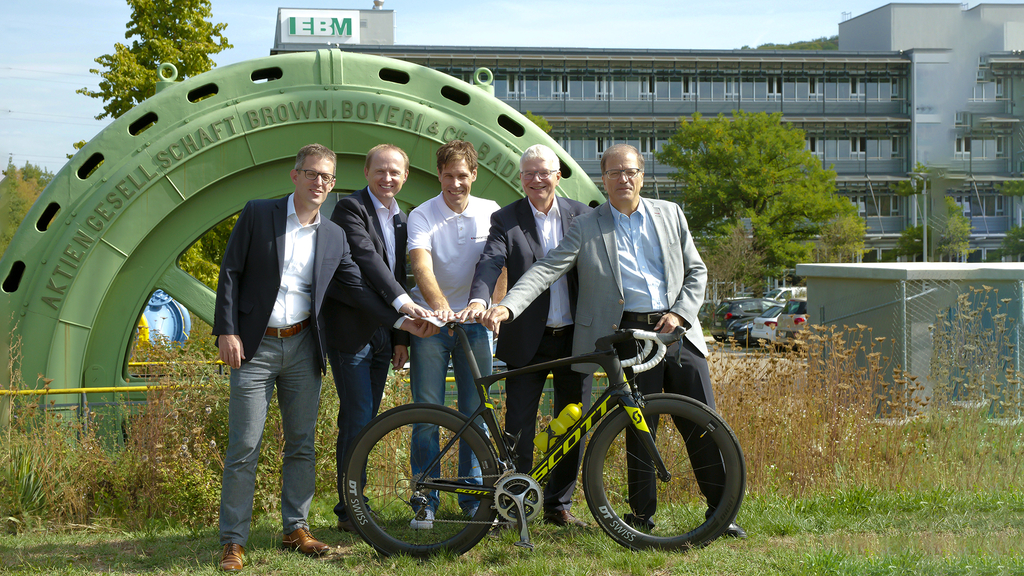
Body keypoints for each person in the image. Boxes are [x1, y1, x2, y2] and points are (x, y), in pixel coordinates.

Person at [479, 143, 746, 539]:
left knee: (702, 423)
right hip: (630, 337)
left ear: (642, 175)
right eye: (615, 173)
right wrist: (507, 307)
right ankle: (641, 517)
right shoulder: (587, 225)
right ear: (603, 180)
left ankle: (720, 513)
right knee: (641, 428)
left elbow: (697, 271)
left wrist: (680, 314)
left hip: (677, 331)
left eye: (631, 171)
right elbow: (546, 269)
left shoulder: (670, 214)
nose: (624, 178)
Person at [212, 144, 435, 571]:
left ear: (333, 184)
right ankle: (233, 541)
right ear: (295, 176)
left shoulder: (332, 234)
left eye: (326, 178)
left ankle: (295, 528)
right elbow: (230, 272)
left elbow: (353, 285)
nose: (319, 183)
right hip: (254, 346)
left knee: (301, 445)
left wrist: (403, 321)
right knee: (244, 445)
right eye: (311, 174)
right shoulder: (259, 213)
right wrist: (227, 330)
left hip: (302, 345)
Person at [460, 144, 593, 527]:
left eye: (543, 172)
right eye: (528, 174)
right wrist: (479, 299)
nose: (536, 180)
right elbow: (490, 262)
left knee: (574, 423)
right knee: (518, 425)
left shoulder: (583, 216)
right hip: (525, 340)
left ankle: (558, 504)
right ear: (521, 178)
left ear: (558, 175)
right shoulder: (506, 219)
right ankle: (517, 502)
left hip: (574, 338)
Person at [324, 144, 435, 533]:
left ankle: (355, 503)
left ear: (405, 176)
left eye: (395, 172)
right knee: (356, 420)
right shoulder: (349, 210)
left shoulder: (403, 220)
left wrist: (399, 338)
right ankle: (350, 509)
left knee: (367, 420)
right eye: (380, 171)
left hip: (383, 337)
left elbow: (396, 275)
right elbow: (367, 261)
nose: (388, 178)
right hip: (351, 335)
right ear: (366, 171)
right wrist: (405, 308)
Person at [405, 140, 501, 528]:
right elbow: (421, 266)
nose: (456, 183)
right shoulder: (422, 215)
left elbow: (498, 264)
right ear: (439, 176)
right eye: (449, 176)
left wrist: (491, 305)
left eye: (463, 175)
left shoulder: (491, 212)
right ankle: (424, 499)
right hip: (432, 324)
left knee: (474, 415)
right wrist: (442, 308)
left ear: (474, 175)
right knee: (426, 413)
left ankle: (472, 499)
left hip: (476, 326)